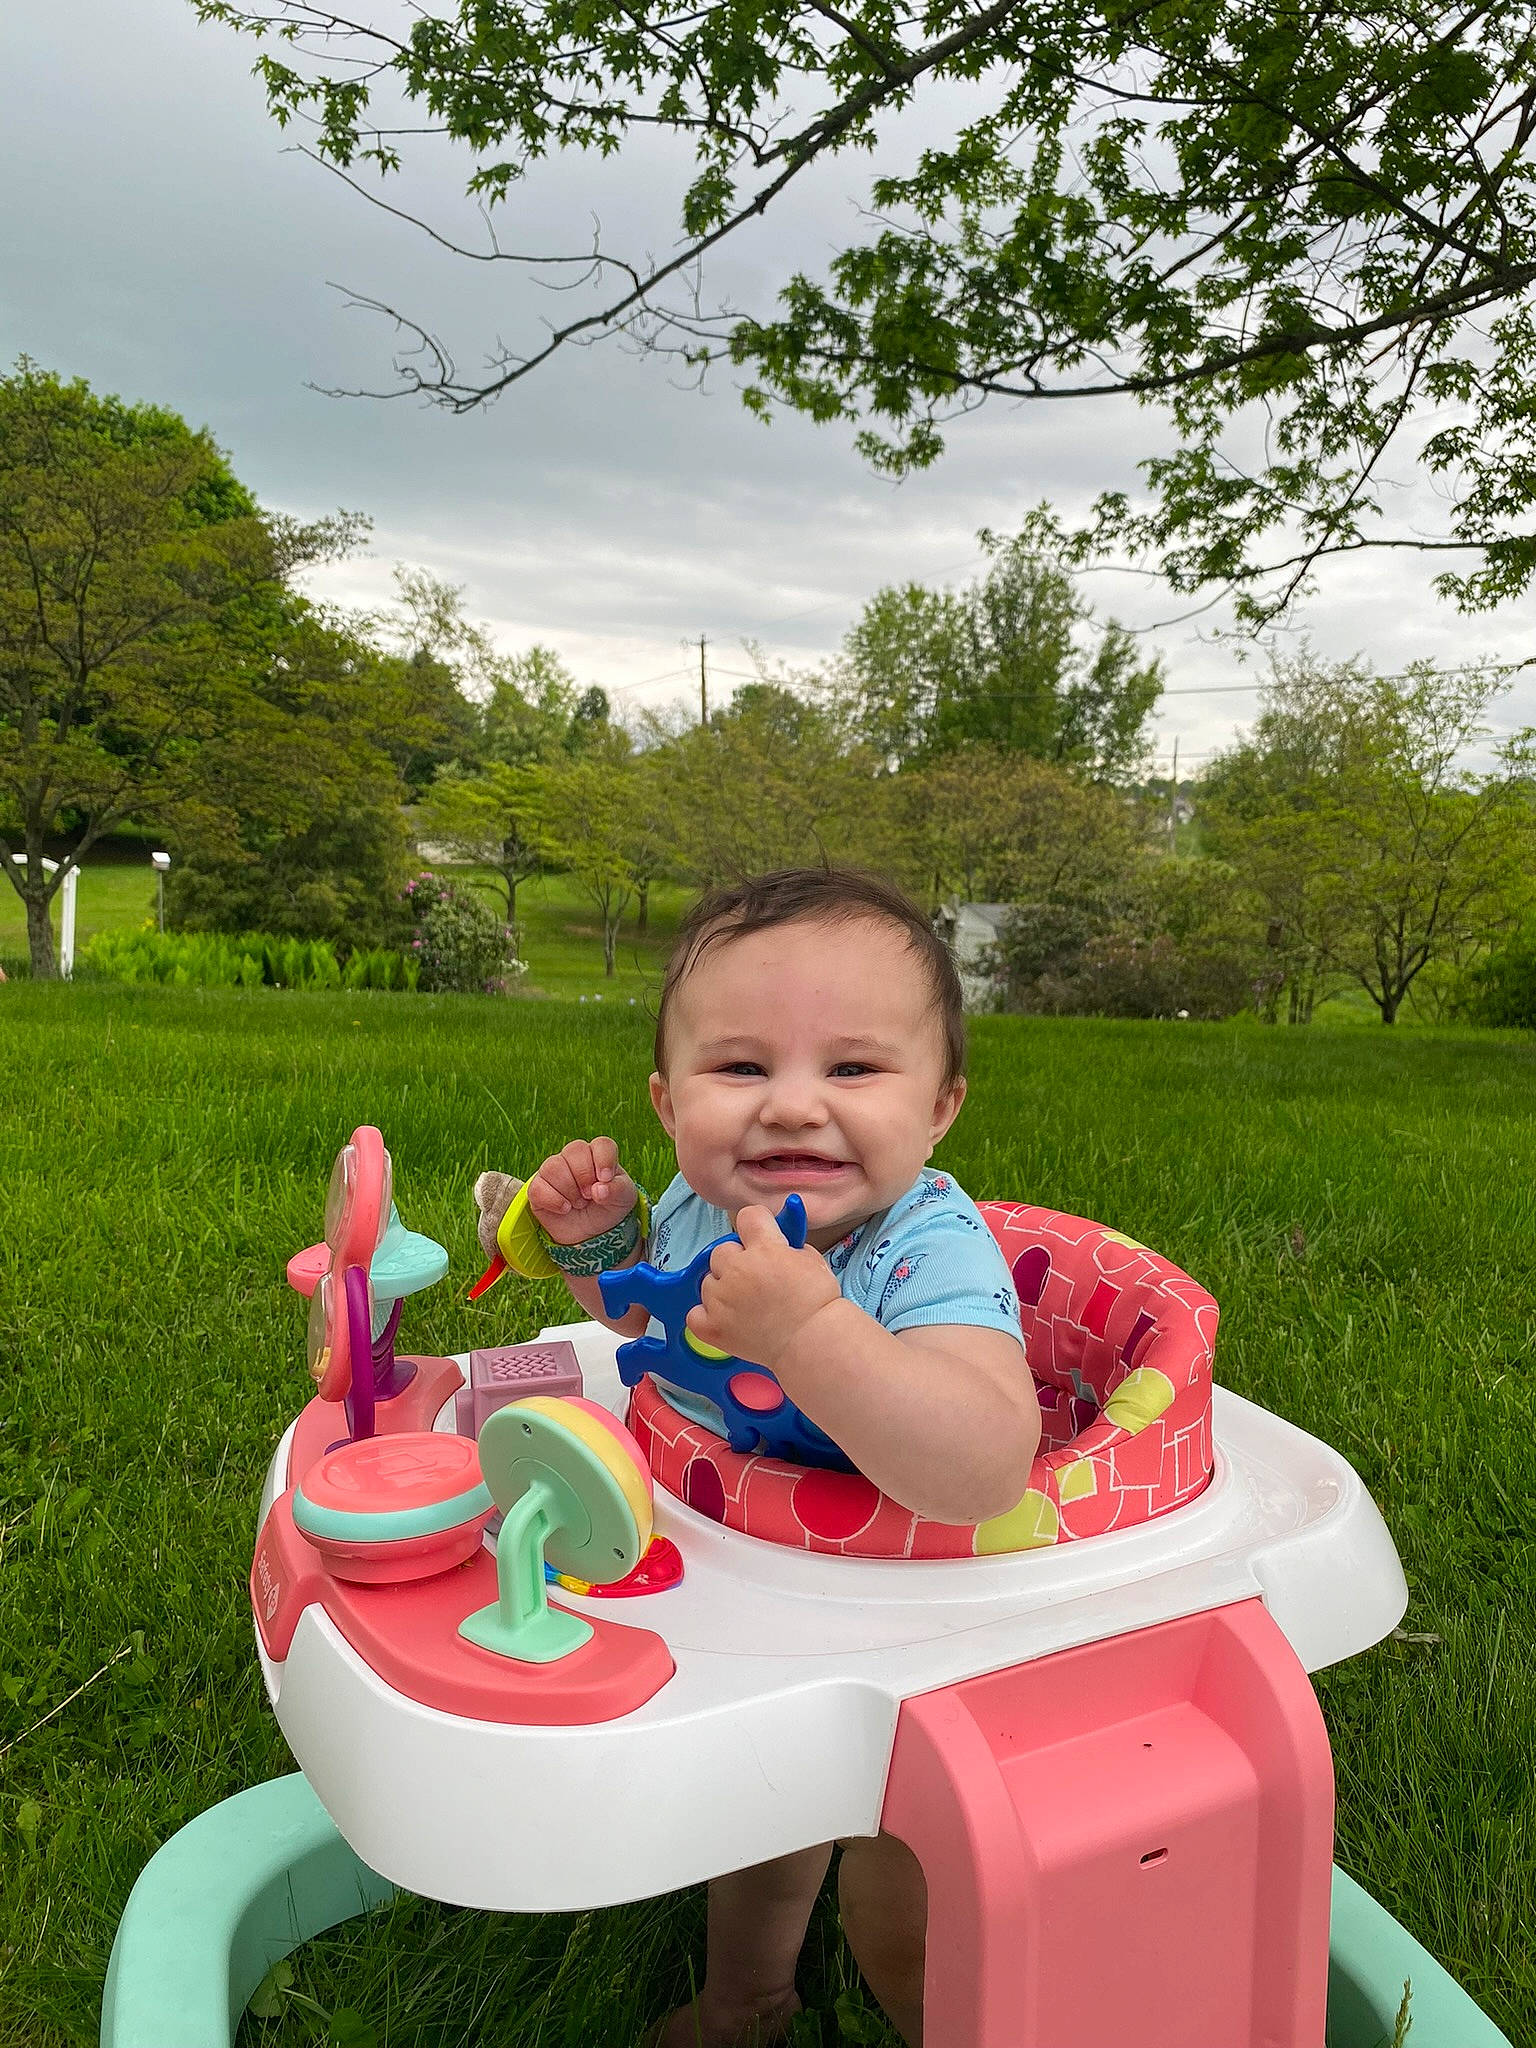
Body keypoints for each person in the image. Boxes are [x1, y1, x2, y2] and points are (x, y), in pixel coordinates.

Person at [475, 868, 1043, 2048]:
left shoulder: (926, 1247)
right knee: (768, 1806)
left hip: (904, 1612)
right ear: (668, 1098)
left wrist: (813, 1332)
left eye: (852, 1068)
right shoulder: (696, 1199)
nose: (790, 1106)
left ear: (941, 1106)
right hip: (737, 1557)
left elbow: (985, 1460)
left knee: (872, 1844)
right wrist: (599, 1247)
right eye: (741, 1068)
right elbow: (648, 1323)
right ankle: (750, 1998)